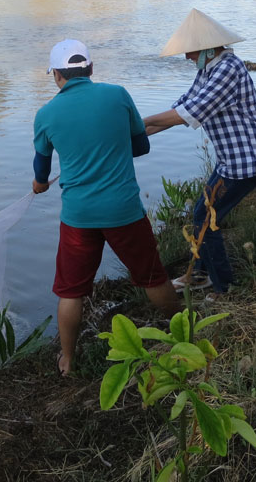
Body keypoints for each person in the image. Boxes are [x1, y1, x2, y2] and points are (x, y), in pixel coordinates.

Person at [32, 39, 179, 376]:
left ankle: (68, 359)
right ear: (91, 69)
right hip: (124, 211)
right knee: (152, 276)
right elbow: (140, 146)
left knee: (71, 291)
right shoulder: (117, 95)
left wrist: (39, 184)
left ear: (56, 75)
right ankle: (183, 335)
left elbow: (40, 173)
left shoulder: (46, 114)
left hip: (78, 217)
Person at [143, 9, 256, 298]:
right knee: (201, 214)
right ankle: (199, 274)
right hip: (231, 160)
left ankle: (224, 286)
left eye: (190, 51)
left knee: (203, 218)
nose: (187, 57)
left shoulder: (227, 69)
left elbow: (189, 113)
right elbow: (183, 105)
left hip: (246, 160)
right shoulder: (208, 70)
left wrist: (138, 125)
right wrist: (136, 135)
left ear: (208, 47)